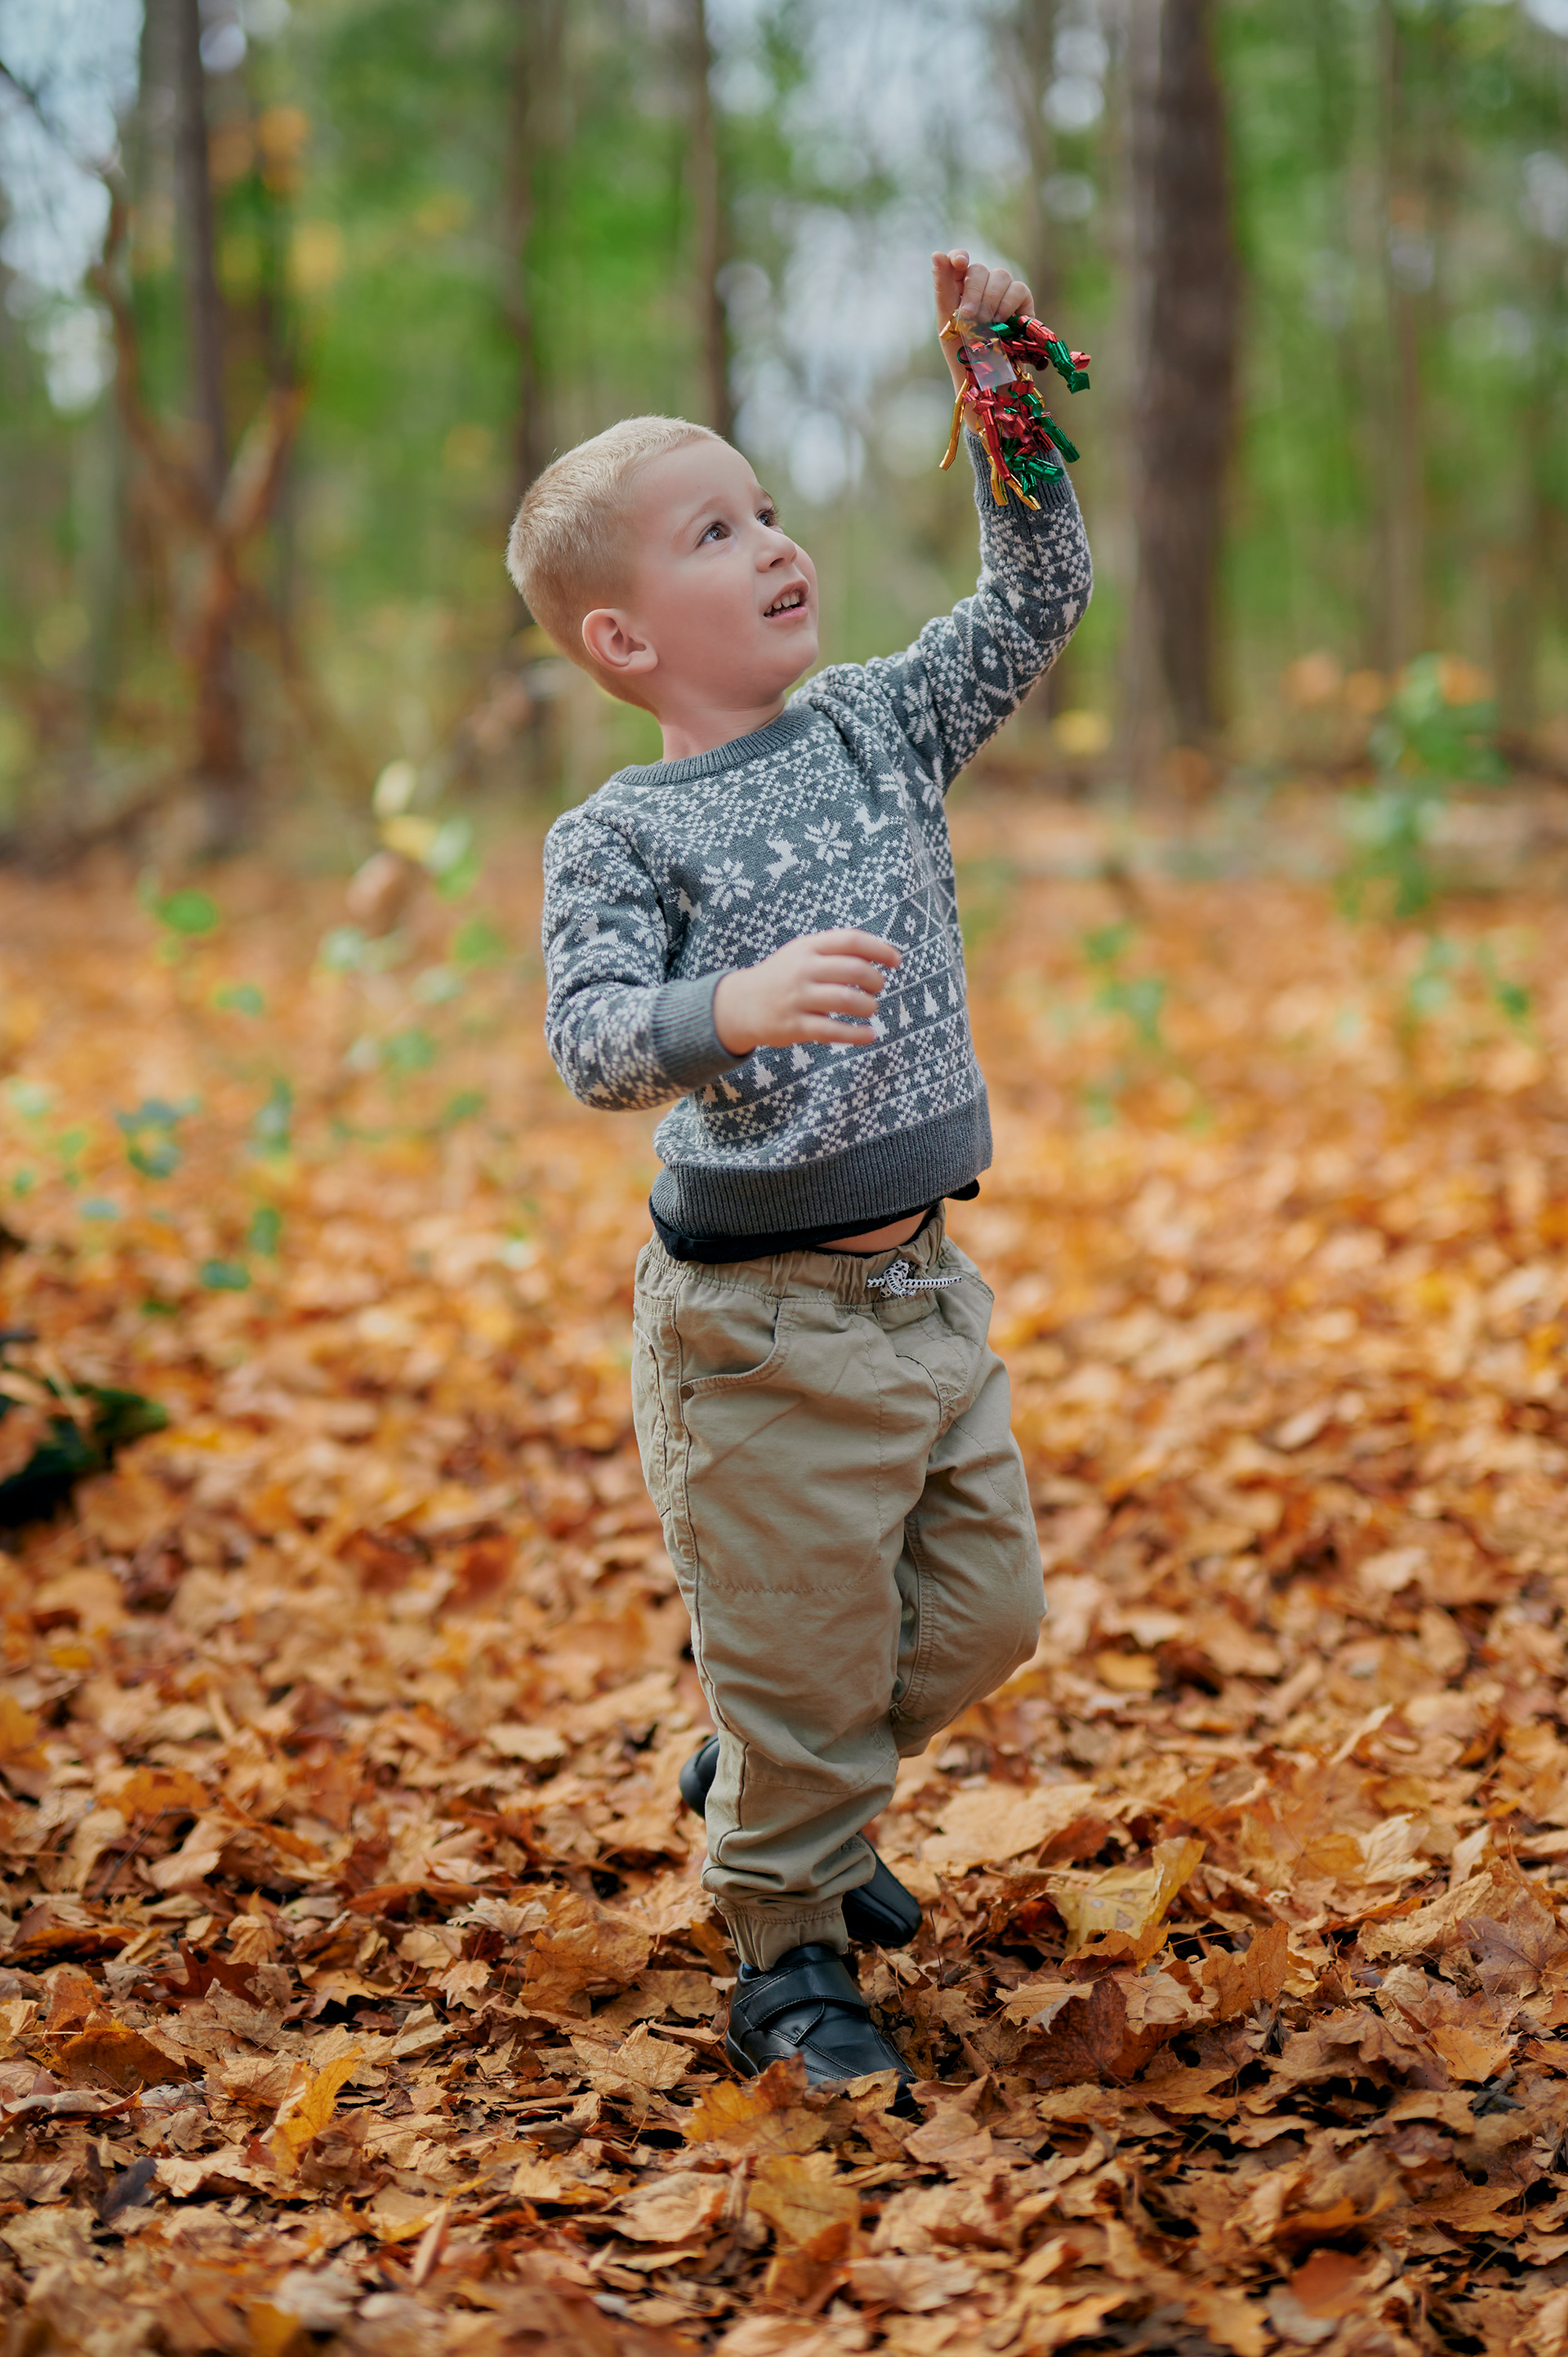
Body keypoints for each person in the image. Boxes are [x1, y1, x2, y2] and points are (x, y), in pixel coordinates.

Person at [507, 250, 1091, 2102]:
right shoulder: (617, 834)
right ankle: (789, 1958)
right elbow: (596, 1041)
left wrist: (998, 378)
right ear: (625, 641)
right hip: (754, 1333)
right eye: (716, 532)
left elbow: (1039, 595)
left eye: (766, 510)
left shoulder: (875, 724)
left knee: (989, 1618)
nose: (774, 542)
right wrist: (732, 1007)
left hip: (923, 1291)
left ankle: (774, 1769)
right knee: (803, 1661)